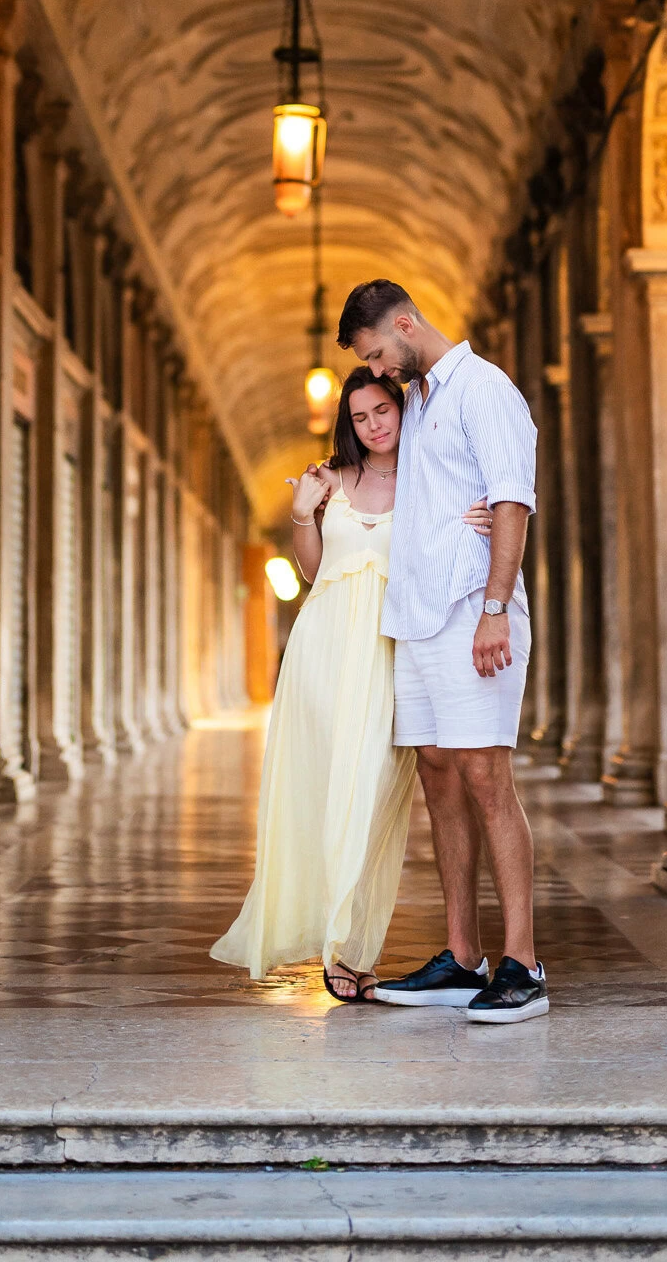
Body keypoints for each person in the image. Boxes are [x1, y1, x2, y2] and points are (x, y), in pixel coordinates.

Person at [211, 366, 492, 1001]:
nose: (374, 425)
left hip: (393, 651)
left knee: (372, 799)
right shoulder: (327, 479)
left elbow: (452, 547)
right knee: (324, 791)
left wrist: (475, 517)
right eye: (361, 417)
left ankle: (353, 939)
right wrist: (301, 514)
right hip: (321, 651)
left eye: (383, 411)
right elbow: (313, 573)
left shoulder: (429, 479)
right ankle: (342, 950)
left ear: (402, 408)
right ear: (349, 424)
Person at [339, 277, 548, 1025]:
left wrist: (495, 608)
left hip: (472, 613)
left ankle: (523, 964)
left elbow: (511, 497)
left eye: (377, 354)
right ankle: (463, 957)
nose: (378, 370)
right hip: (418, 619)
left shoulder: (483, 388)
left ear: (405, 322)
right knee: (437, 774)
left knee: (487, 775)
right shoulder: (419, 400)